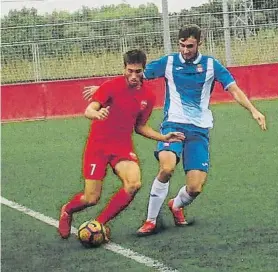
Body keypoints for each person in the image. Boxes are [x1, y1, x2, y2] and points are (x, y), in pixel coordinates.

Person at [83, 24, 267, 236]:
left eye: (190, 46)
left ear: (199, 43)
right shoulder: (169, 62)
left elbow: (233, 89)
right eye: (182, 45)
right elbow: (136, 75)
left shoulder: (211, 65)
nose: (185, 50)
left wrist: (253, 110)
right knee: (167, 167)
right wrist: (105, 89)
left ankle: (176, 205)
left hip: (199, 131)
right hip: (173, 125)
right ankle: (150, 220)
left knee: (195, 188)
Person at [58, 49, 185, 240]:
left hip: (122, 147)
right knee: (91, 198)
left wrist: (163, 138)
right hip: (98, 146)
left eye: (138, 71)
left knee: (133, 183)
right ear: (124, 68)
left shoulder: (148, 97)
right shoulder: (111, 86)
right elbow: (89, 109)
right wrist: (96, 114)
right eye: (130, 70)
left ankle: (99, 223)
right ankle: (67, 210)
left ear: (144, 70)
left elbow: (140, 126)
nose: (134, 76)